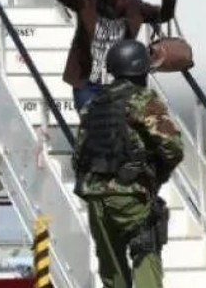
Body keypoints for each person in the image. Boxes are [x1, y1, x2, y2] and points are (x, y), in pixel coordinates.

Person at [73, 39, 184, 288]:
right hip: (130, 195)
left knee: (112, 272)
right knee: (146, 255)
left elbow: (80, 154)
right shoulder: (142, 100)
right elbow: (173, 147)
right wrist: (155, 174)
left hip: (95, 197)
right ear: (141, 70)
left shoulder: (93, 105)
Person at [50, 0, 178, 111]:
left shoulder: (135, 8)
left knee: (118, 128)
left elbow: (164, 15)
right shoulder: (87, 2)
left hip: (120, 83)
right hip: (87, 82)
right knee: (92, 124)